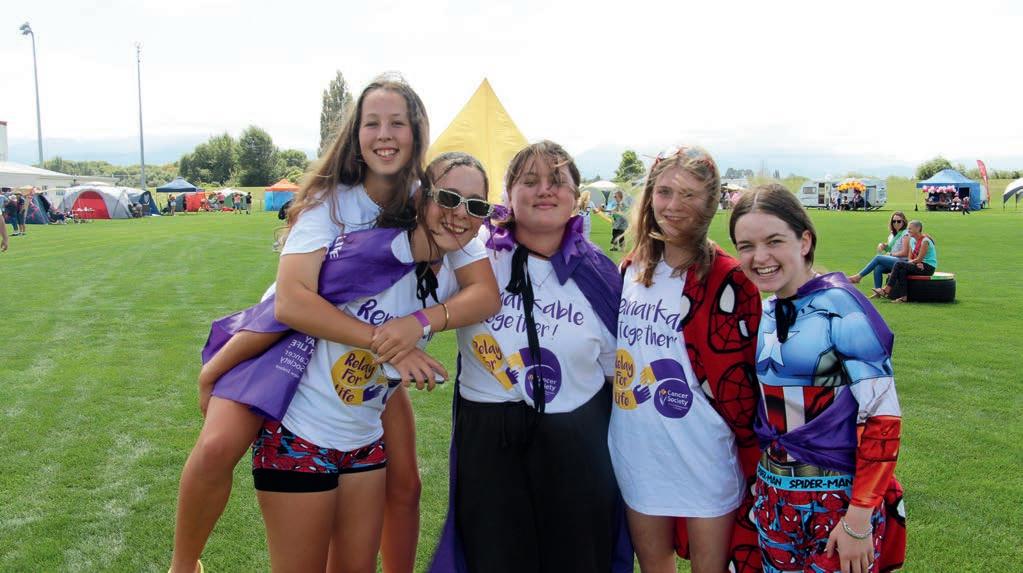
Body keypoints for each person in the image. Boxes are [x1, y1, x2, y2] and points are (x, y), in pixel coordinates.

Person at [170, 76, 500, 573]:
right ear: (355, 133)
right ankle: (184, 563)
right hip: (286, 342)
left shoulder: (438, 203)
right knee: (217, 446)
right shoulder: (335, 201)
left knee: (404, 483)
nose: (385, 134)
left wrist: (417, 324)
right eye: (373, 123)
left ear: (417, 134)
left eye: (398, 123)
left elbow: (484, 291)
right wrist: (389, 341)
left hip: (365, 370)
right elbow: (288, 305)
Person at [431, 141, 631, 573]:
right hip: (489, 438)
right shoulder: (474, 255)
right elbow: (411, 288)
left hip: (577, 440)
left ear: (576, 195)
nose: (544, 190)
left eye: (557, 181)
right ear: (509, 193)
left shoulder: (600, 273)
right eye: (530, 180)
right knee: (493, 558)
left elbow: (618, 372)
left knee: (578, 558)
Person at [729, 183, 906, 573]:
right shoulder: (768, 309)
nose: (760, 257)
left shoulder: (841, 307)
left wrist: (859, 518)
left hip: (839, 503)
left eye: (774, 241)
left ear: (805, 240)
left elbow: (883, 417)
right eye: (746, 246)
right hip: (775, 498)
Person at [611, 145, 762, 573]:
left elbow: (749, 371)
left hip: (704, 454)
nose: (673, 206)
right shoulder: (631, 270)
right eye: (664, 192)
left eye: (689, 194)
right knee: (653, 565)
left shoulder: (730, 278)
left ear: (710, 203)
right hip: (638, 451)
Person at [874, 219, 937, 303]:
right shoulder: (912, 240)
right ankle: (903, 297)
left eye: (910, 228)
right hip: (918, 264)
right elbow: (910, 258)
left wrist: (915, 262)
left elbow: (919, 259)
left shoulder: (925, 241)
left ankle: (887, 289)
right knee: (901, 271)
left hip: (927, 267)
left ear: (918, 229)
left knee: (898, 264)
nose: (908, 231)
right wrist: (915, 263)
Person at [847, 211, 910, 290]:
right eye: (894, 221)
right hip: (894, 261)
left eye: (899, 221)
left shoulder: (905, 234)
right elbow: (891, 248)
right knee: (878, 267)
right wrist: (883, 246)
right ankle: (878, 291)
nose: (896, 223)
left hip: (903, 262)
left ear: (903, 222)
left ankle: (858, 277)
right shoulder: (892, 234)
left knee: (878, 258)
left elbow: (905, 253)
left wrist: (891, 255)